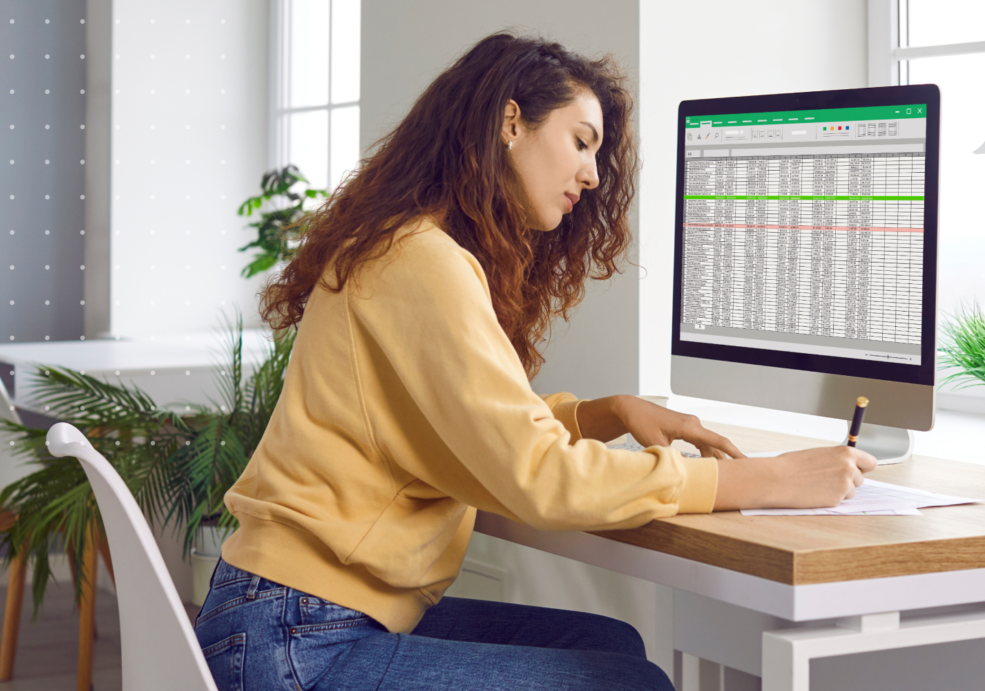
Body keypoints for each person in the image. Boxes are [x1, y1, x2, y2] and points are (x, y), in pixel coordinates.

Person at [194, 32, 877, 690]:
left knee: (609, 646)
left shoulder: (407, 247)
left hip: (284, 615)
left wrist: (601, 414)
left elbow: (472, 421)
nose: (593, 172)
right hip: (299, 640)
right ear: (511, 123)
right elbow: (536, 474)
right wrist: (761, 480)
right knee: (631, 681)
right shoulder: (418, 260)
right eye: (581, 141)